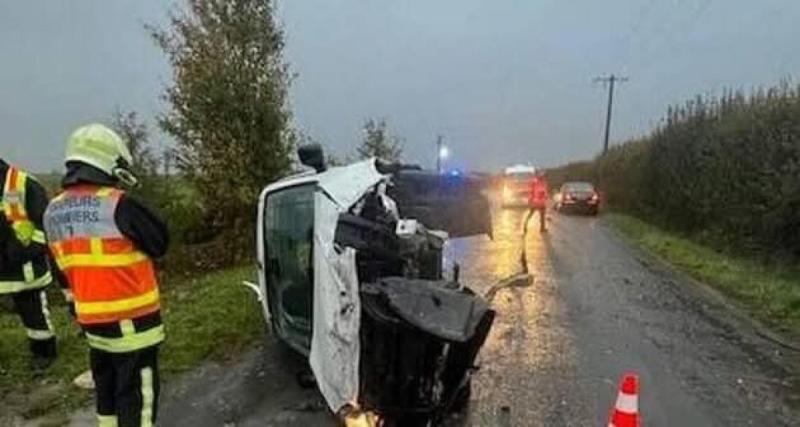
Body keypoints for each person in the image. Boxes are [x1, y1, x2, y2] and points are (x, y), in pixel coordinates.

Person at [43, 124, 169, 427]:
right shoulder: (119, 204)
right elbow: (160, 242)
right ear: (108, 161)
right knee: (137, 402)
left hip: (93, 326)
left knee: (108, 397)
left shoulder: (53, 211)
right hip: (134, 327)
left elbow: (61, 271)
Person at [0, 158, 57, 371]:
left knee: (33, 313)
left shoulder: (24, 183)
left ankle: (44, 352)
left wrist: (20, 251)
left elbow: (45, 226)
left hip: (25, 266)